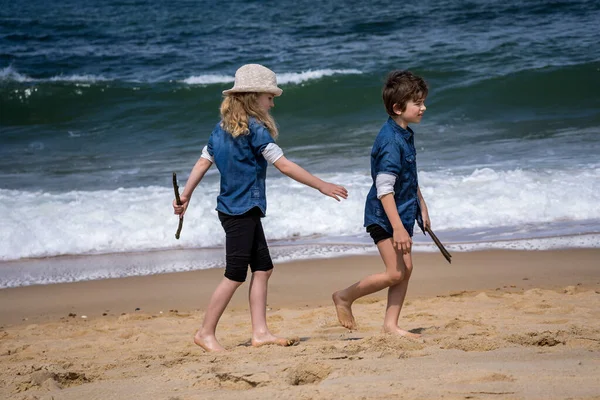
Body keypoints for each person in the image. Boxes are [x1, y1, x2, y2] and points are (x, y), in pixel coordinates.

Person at [173, 64, 348, 352]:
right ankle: (205, 332)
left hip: (237, 210)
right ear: (253, 97)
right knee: (234, 275)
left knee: (263, 268)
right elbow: (285, 165)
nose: (273, 102)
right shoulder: (255, 130)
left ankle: (260, 332)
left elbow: (203, 162)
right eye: (269, 96)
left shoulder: (219, 130)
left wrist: (186, 195)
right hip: (241, 212)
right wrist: (321, 185)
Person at [332, 70, 430, 338]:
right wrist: (398, 228)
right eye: (418, 103)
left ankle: (391, 324)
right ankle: (344, 297)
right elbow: (384, 190)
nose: (423, 107)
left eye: (423, 102)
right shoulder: (389, 141)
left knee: (406, 269)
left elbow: (407, 176)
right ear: (398, 107)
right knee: (395, 273)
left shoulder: (404, 132)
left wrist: (421, 205)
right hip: (384, 216)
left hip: (402, 213)